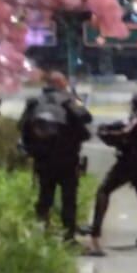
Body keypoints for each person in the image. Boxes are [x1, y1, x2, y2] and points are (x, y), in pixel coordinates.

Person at [87, 92, 137, 255]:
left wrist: (106, 134)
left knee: (104, 191)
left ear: (133, 105)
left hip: (128, 162)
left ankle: (95, 232)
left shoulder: (136, 118)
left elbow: (126, 132)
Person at [19, 70, 92, 241]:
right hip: (67, 159)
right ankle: (69, 235)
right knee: (69, 198)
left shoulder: (34, 102)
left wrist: (32, 150)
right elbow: (87, 118)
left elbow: (22, 127)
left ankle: (41, 231)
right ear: (60, 83)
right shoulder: (70, 101)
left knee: (45, 195)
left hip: (42, 160)